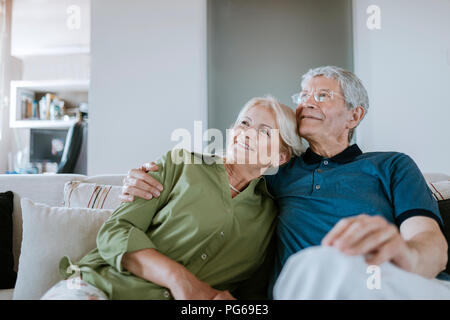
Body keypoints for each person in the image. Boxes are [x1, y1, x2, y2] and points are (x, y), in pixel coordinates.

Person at [121, 66, 450, 299]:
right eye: (304, 94)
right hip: (306, 286)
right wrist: (147, 177)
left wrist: (405, 256)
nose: (308, 101)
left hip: (390, 281)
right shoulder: (277, 172)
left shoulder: (392, 165)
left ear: (354, 116)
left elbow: (431, 246)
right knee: (320, 262)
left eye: (322, 95)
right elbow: (222, 176)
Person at [40, 95, 303, 300]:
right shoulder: (181, 165)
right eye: (244, 123)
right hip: (103, 287)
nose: (247, 132)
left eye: (264, 131)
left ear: (280, 157)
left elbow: (251, 292)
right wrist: (179, 279)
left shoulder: (269, 216)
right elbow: (116, 232)